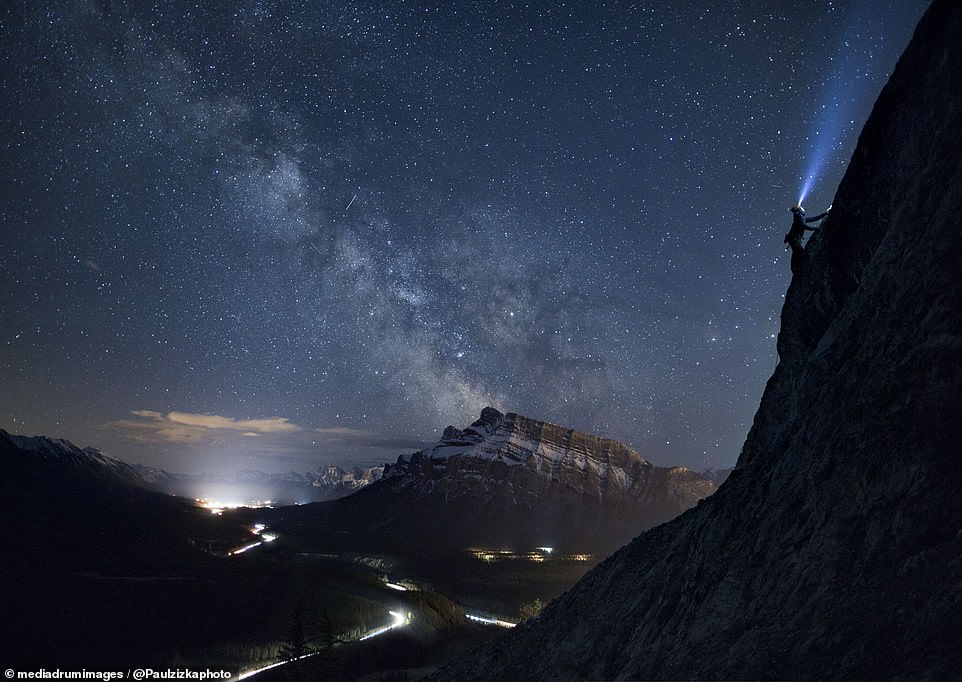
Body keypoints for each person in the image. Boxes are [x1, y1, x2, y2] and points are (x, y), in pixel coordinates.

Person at [784, 203, 830, 272]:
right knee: (798, 251)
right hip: (794, 238)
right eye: (801, 208)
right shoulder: (798, 217)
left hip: (794, 238)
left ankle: (795, 267)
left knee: (797, 251)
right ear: (799, 209)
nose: (803, 209)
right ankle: (795, 268)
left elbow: (814, 218)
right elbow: (804, 226)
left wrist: (825, 213)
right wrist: (815, 229)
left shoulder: (800, 217)